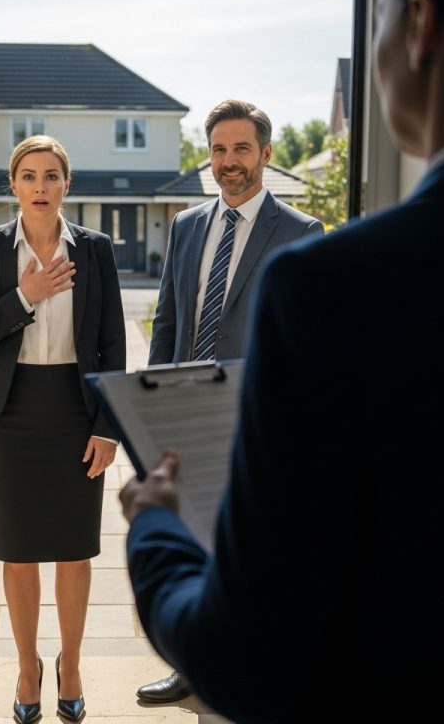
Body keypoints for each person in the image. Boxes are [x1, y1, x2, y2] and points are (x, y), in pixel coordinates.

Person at [119, 0, 444, 722]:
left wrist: (153, 526)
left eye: (375, 21)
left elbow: (246, 656)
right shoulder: (198, 233)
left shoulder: (330, 282)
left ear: (417, 27)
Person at [136, 98, 324, 704]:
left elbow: (305, 342)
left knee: (250, 547)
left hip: (255, 421)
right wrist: (150, 408)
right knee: (191, 543)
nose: (229, 161)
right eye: (218, 149)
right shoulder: (187, 226)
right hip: (183, 412)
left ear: (266, 153)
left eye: (241, 148)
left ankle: (258, 667)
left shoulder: (301, 233)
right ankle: (190, 666)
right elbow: (168, 322)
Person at [0, 135, 126, 724]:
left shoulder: (95, 250)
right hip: (11, 415)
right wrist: (23, 297)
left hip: (76, 413)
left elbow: (112, 345)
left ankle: (70, 666)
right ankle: (28, 668)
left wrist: (108, 428)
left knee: (75, 551)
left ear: (67, 184)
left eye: (52, 175)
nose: (41, 186)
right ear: (13, 185)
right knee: (19, 551)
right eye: (29, 176)